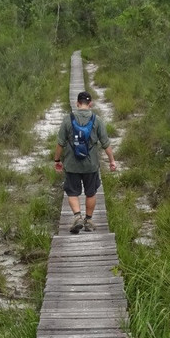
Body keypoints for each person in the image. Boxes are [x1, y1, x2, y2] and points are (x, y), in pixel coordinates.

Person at [53, 90, 117, 233]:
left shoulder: (67, 119)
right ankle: (88, 221)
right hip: (91, 165)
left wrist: (57, 160)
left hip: (71, 164)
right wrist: (112, 161)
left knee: (72, 192)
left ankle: (77, 217)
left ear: (77, 103)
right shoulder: (97, 120)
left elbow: (60, 144)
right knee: (91, 192)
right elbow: (106, 144)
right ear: (90, 104)